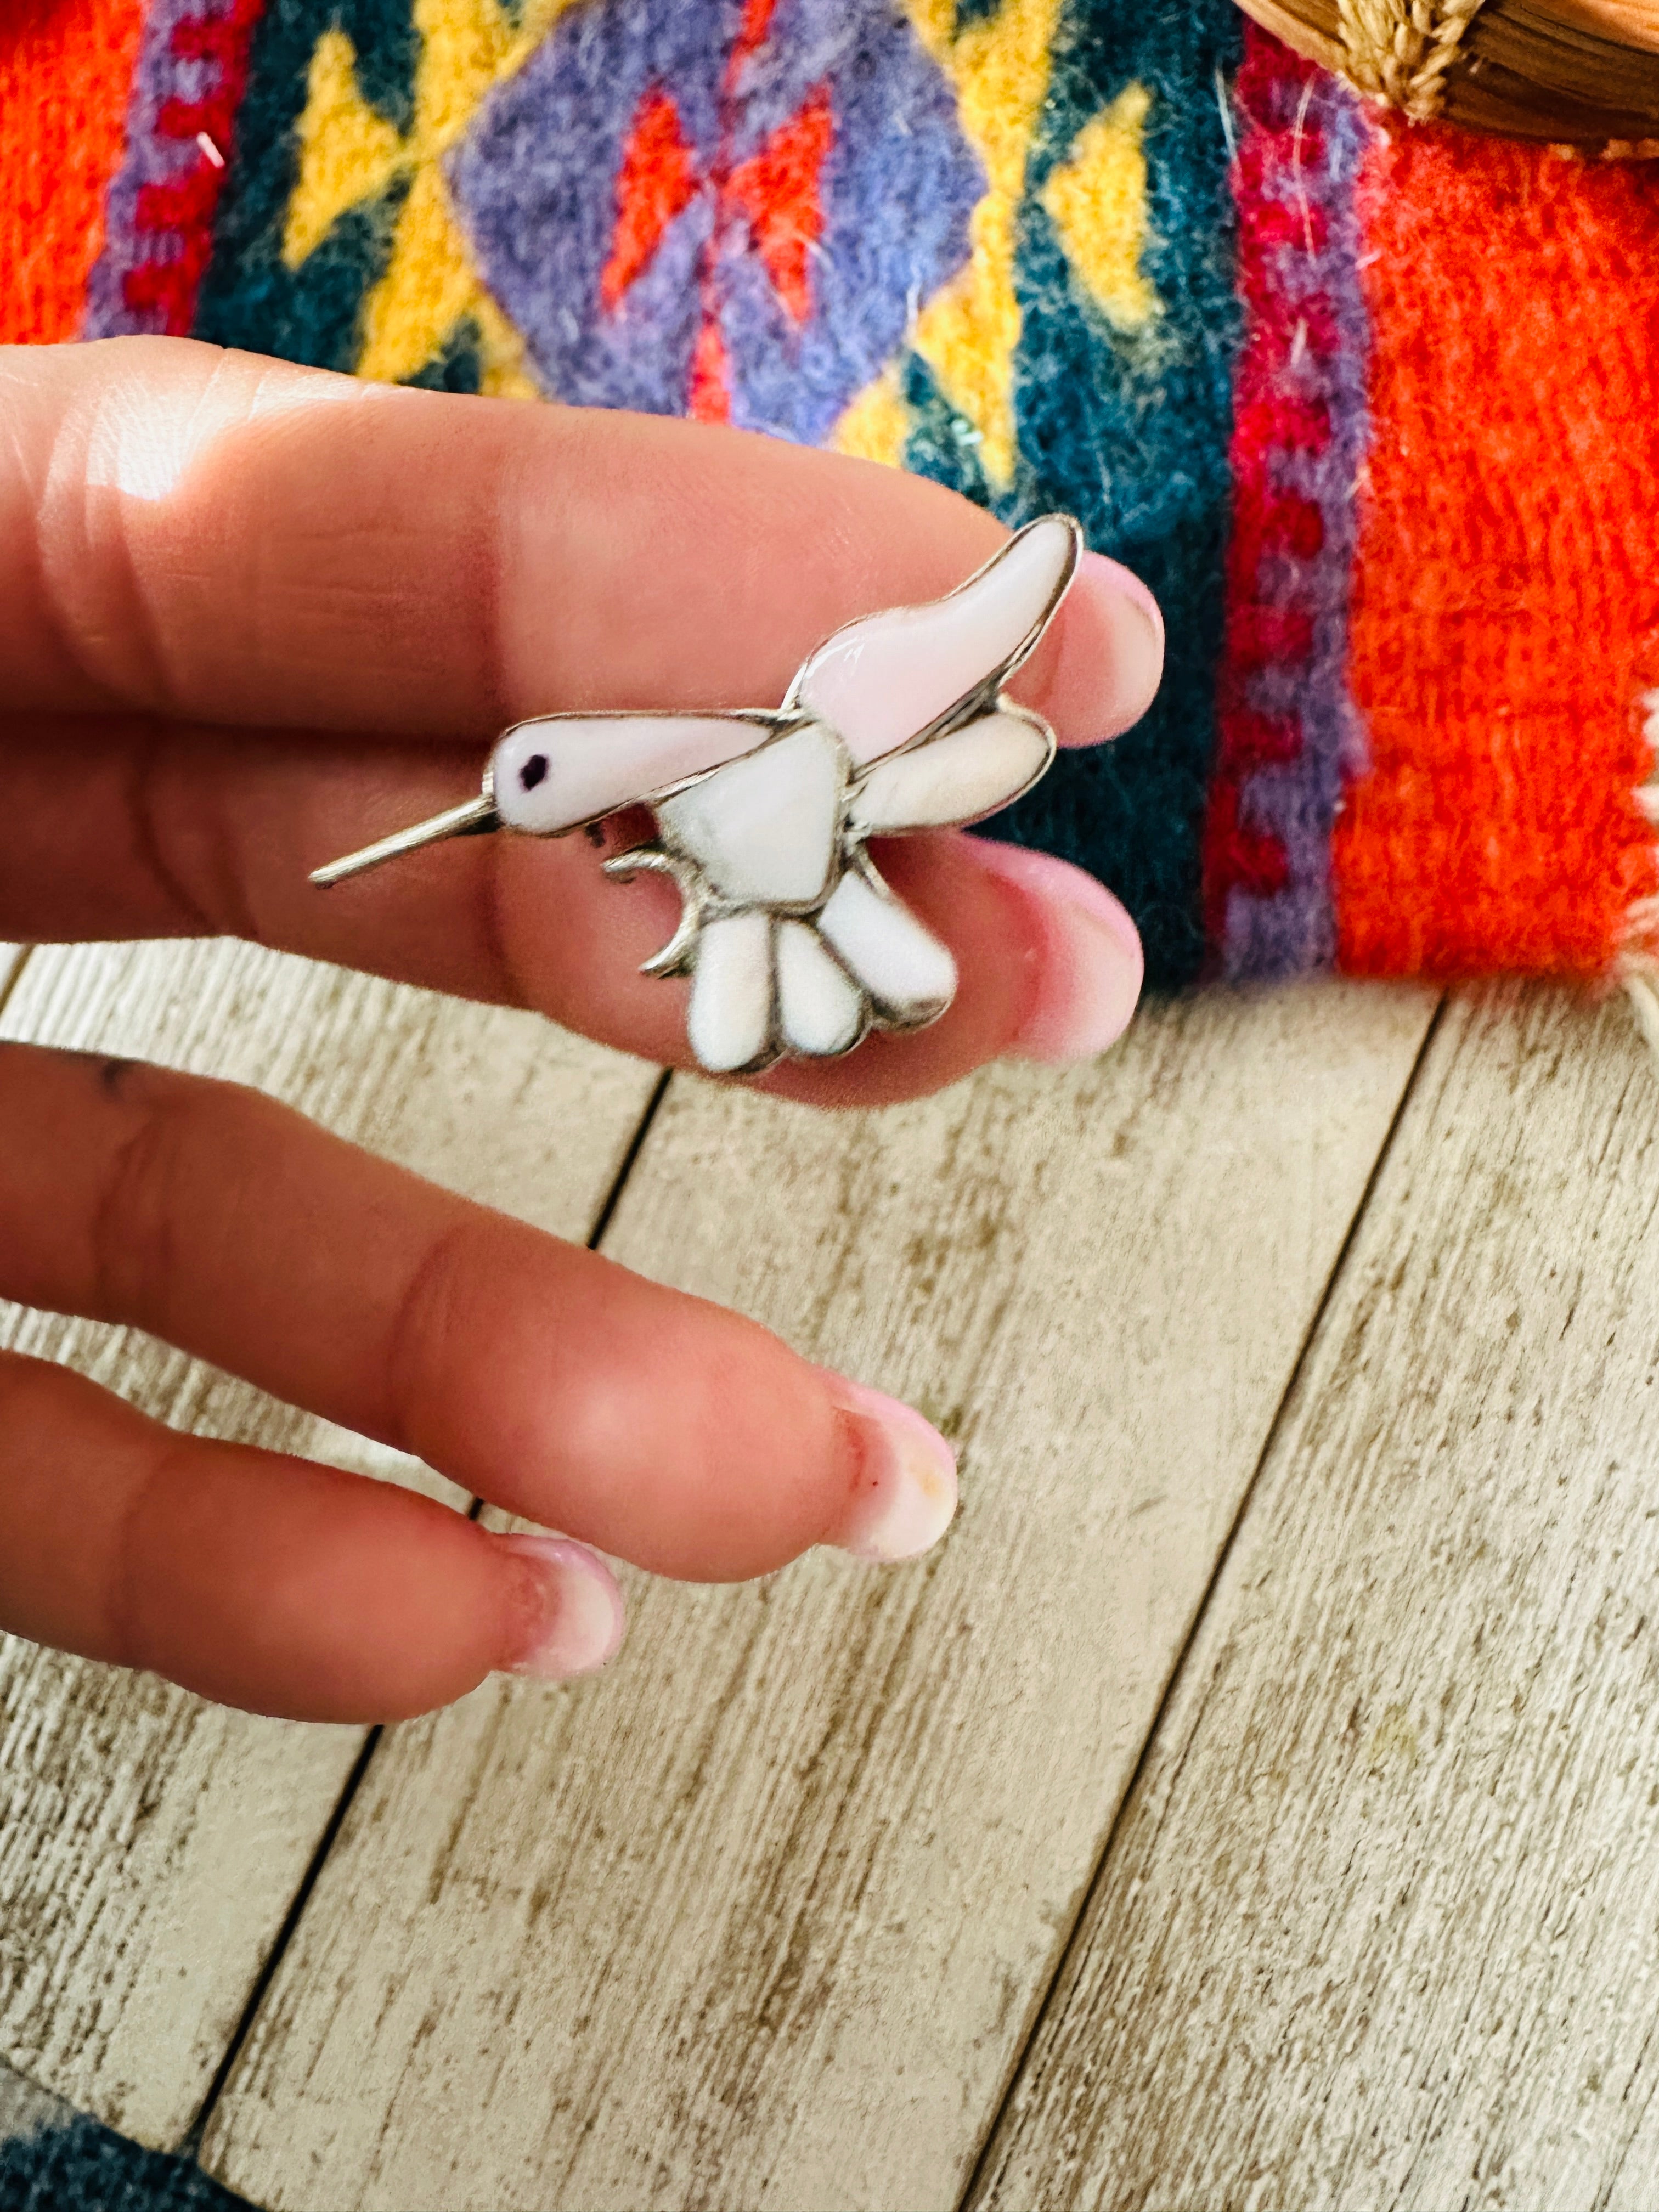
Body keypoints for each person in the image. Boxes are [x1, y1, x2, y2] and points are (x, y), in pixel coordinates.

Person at [0, 336, 1161, 1725]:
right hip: (763, 893)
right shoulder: (659, 798)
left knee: (830, 972)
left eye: (529, 787)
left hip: (796, 868)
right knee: (800, 977)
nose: (522, 804)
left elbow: (935, 668)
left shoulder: (742, 746)